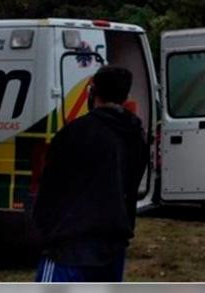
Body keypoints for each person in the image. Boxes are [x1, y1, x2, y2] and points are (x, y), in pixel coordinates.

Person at [32, 66, 147, 282]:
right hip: (113, 244)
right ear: (126, 96)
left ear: (93, 92)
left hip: (70, 246)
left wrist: (45, 230)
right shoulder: (135, 136)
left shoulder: (75, 133)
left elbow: (49, 187)